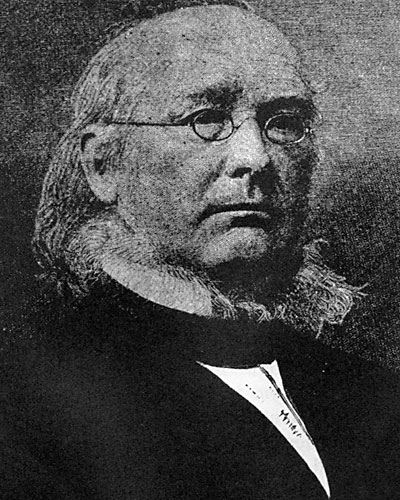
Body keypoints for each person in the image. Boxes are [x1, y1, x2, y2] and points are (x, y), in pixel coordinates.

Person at [1, 3, 399, 499]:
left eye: (284, 122)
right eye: (205, 120)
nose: (255, 158)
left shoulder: (371, 393)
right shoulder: (31, 402)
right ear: (102, 165)